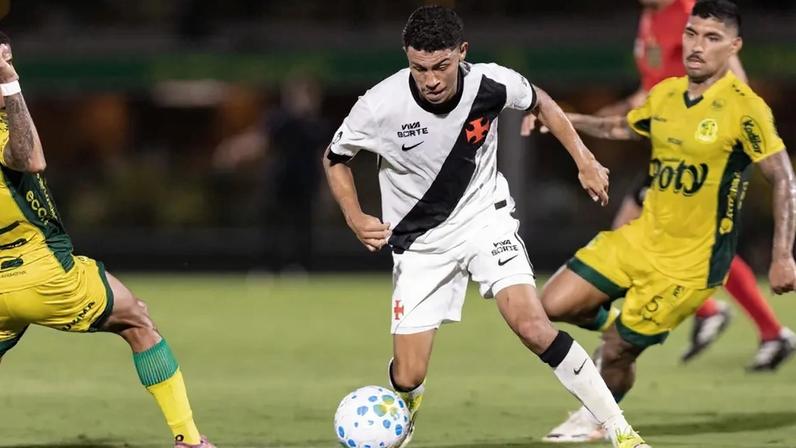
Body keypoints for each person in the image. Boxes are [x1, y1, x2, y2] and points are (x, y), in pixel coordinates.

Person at [323, 6, 650, 448]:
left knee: (533, 326)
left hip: (483, 219)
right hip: (419, 243)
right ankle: (408, 412)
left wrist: (584, 159)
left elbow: (542, 102)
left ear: (462, 53)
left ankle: (620, 431)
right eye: (419, 68)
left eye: (441, 66)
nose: (432, 79)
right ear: (407, 58)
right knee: (409, 373)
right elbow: (335, 158)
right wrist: (355, 216)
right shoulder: (379, 105)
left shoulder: (492, 82)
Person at [536, 1, 796, 443]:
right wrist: (564, 120)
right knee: (552, 306)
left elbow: (784, 177)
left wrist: (783, 255)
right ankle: (629, 326)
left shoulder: (744, 108)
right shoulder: (669, 93)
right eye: (692, 34)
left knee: (617, 351)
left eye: (712, 38)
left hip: (691, 263)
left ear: (734, 47)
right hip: (642, 238)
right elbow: (623, 127)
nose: (697, 46)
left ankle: (597, 415)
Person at [0, 34, 215, 448]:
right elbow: (31, 160)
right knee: (138, 321)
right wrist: (11, 82)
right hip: (43, 272)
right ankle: (189, 440)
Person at [604, 0, 794, 370]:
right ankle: (761, 329)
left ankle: (717, 313)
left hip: (708, 151)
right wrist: (598, 118)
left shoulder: (690, 13)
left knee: (639, 232)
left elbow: (737, 83)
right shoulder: (650, 17)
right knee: (691, 241)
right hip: (675, 149)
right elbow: (651, 91)